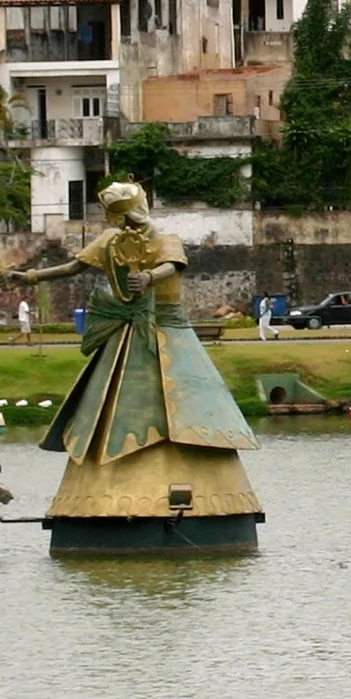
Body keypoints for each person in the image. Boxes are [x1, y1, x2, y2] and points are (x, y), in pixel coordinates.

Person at [2, 182, 261, 553]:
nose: (131, 221)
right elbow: (76, 265)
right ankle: (100, 503)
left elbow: (174, 263)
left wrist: (151, 277)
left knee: (188, 408)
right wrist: (29, 277)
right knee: (106, 411)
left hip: (168, 330)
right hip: (125, 335)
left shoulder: (164, 237)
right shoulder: (110, 240)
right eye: (124, 216)